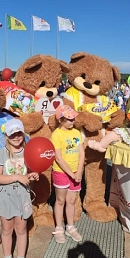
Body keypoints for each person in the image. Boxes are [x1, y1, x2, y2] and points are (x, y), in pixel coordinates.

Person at [0, 119, 39, 258]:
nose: (17, 137)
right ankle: (7, 257)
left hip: (22, 196)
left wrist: (33, 175)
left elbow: (29, 172)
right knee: (6, 229)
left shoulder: (28, 152)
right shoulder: (1, 153)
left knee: (21, 229)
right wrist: (17, 177)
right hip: (5, 197)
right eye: (13, 134)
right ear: (6, 136)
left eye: (19, 133)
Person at [50, 105, 84, 244]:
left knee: (71, 201)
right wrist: (71, 173)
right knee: (60, 200)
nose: (72, 122)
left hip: (76, 172)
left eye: (73, 119)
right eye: (69, 119)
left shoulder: (76, 133)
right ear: (60, 120)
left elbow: (81, 152)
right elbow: (58, 158)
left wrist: (80, 170)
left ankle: (70, 226)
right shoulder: (56, 134)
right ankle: (59, 227)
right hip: (61, 172)